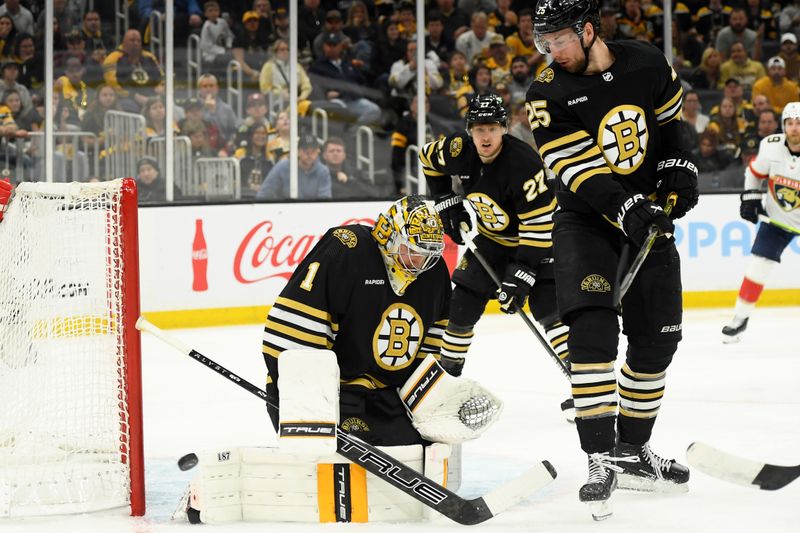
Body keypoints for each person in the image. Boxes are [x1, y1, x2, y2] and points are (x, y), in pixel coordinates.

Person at [528, 0, 698, 516]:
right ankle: (599, 457)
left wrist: (679, 170)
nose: (551, 51)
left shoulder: (646, 61)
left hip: (645, 220)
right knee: (593, 337)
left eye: (558, 39)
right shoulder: (545, 92)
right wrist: (629, 206)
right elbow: (579, 171)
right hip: (587, 224)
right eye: (544, 42)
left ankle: (631, 449)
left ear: (586, 30)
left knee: (657, 343)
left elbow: (672, 126)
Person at [261, 195, 450, 446]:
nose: (419, 262)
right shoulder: (346, 251)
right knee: (326, 461)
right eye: (413, 250)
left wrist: (433, 398)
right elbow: (288, 336)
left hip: (386, 396)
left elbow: (430, 352)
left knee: (418, 448)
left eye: (428, 254)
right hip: (332, 391)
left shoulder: (433, 274)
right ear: (388, 235)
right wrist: (306, 401)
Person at [419, 93, 570, 391]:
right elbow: (427, 158)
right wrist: (447, 201)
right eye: (478, 128)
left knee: (548, 310)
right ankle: (446, 382)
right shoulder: (459, 149)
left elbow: (539, 226)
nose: (485, 136)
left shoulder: (523, 163)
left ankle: (581, 382)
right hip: (492, 240)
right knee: (461, 304)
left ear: (505, 127)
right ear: (469, 130)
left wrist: (522, 273)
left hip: (539, 243)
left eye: (491, 128)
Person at [722, 102, 800, 343]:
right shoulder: (771, 147)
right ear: (783, 125)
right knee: (756, 269)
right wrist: (751, 198)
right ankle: (740, 318)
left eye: (799, 123)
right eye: (790, 123)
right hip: (777, 220)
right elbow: (754, 173)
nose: (795, 128)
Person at [256, 132, 331, 200]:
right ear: (298, 152)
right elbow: (264, 194)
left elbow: (325, 200)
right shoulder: (282, 167)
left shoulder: (323, 171)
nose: (309, 154)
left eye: (313, 151)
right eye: (306, 151)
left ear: (318, 152)